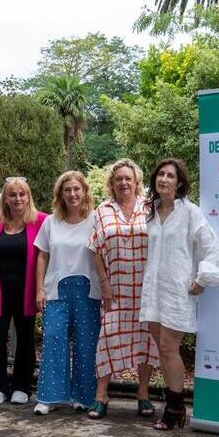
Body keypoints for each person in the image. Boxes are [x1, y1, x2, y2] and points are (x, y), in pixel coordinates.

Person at [139, 158, 219, 430]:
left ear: (179, 183)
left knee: (168, 348)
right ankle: (174, 406)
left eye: (170, 176)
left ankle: (175, 407)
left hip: (177, 292)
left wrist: (202, 280)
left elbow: (212, 248)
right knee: (162, 350)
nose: (164, 179)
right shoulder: (150, 212)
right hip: (153, 290)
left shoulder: (190, 212)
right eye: (161, 174)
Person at [87, 158, 157, 419]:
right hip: (115, 288)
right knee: (107, 338)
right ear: (111, 183)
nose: (124, 183)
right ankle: (101, 394)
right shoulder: (102, 210)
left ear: (137, 182)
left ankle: (143, 394)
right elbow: (94, 249)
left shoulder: (151, 208)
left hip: (146, 289)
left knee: (146, 340)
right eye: (119, 179)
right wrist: (104, 284)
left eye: (128, 178)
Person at [32, 171, 101, 416]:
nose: (72, 194)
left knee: (86, 344)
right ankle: (49, 397)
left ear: (84, 192)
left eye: (76, 189)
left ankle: (83, 396)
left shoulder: (95, 219)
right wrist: (39, 288)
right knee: (53, 339)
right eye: (67, 190)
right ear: (60, 194)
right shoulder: (51, 222)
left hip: (88, 290)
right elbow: (42, 255)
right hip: (56, 290)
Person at [0, 177, 46, 405]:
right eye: (12, 195)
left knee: (25, 338)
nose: (18, 199)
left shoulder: (40, 221)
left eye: (22, 194)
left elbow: (46, 257)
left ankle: (22, 386)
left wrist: (42, 288)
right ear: (5, 198)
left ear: (28, 197)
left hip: (26, 290)